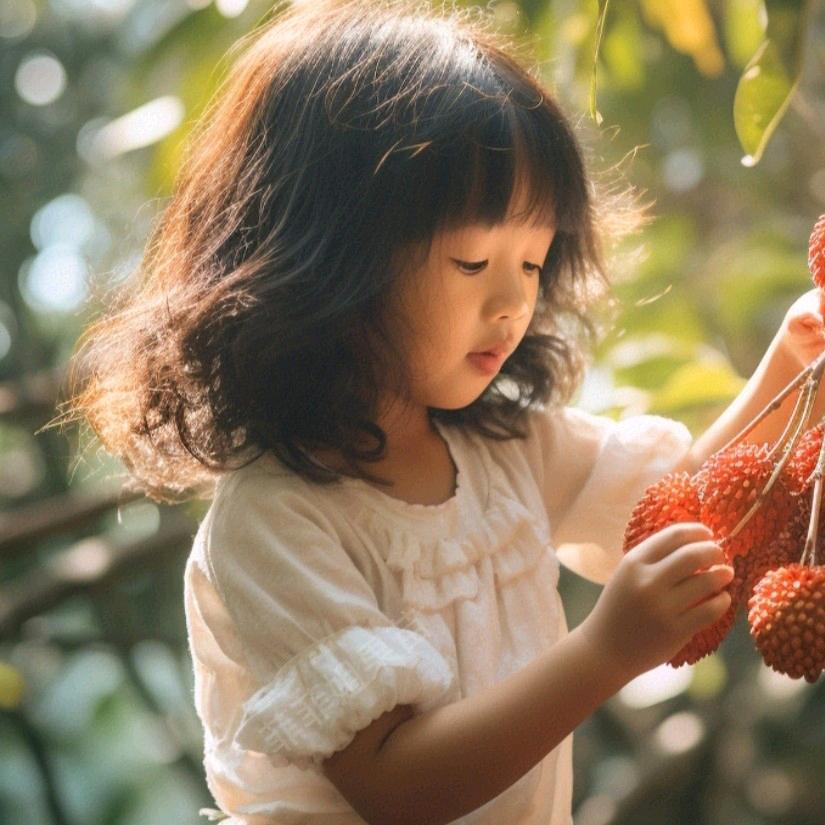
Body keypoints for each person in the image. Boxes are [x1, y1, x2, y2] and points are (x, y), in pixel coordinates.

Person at [54, 0, 825, 822]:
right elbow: (396, 785)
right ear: (330, 252)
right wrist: (603, 651)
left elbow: (685, 506)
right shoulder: (276, 519)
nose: (512, 300)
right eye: (472, 259)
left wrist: (792, 354)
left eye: (531, 262)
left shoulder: (504, 447)